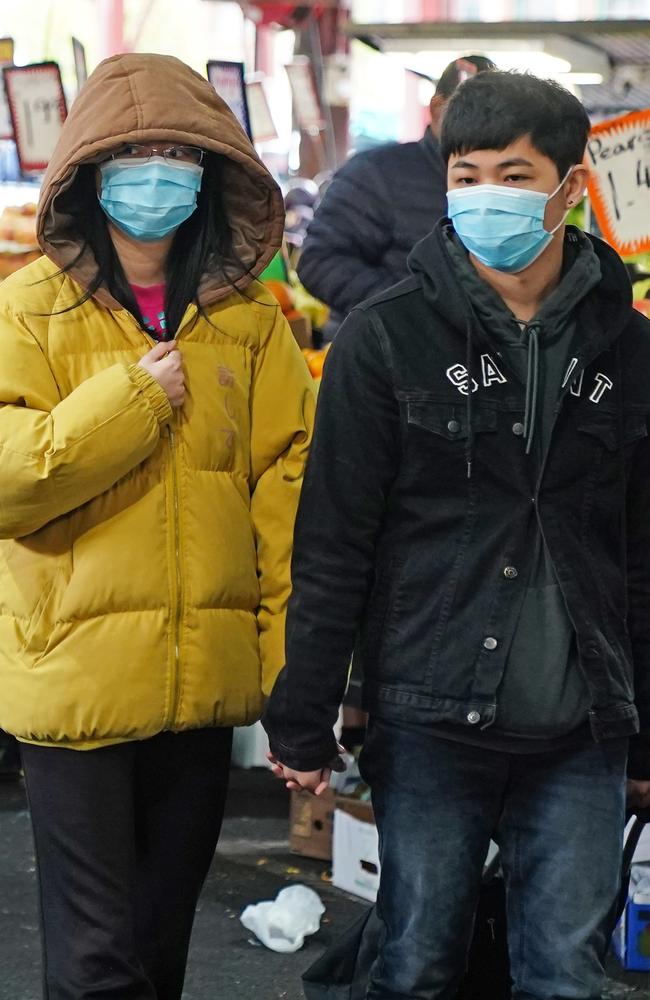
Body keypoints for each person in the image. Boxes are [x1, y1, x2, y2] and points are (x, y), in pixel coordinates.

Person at [263, 70, 650, 1000]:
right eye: (466, 175)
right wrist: (305, 714)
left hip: (581, 722)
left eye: (514, 175)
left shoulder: (628, 348)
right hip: (431, 712)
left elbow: (641, 552)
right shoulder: (385, 340)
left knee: (565, 973)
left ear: (569, 185)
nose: (487, 197)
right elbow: (335, 543)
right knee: (416, 964)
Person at [0, 52, 314, 999]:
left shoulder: (254, 327)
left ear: (212, 171)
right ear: (90, 169)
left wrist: (290, 677)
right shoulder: (25, 310)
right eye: (133, 149)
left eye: (179, 149)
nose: (156, 168)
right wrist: (133, 399)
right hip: (76, 686)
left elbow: (288, 503)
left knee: (159, 949)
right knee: (97, 963)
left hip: (201, 689)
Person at [296, 54, 495, 334]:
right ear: (437, 109)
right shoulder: (375, 173)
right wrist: (410, 310)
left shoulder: (503, 186)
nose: (481, 127)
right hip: (382, 350)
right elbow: (319, 261)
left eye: (493, 115)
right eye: (467, 110)